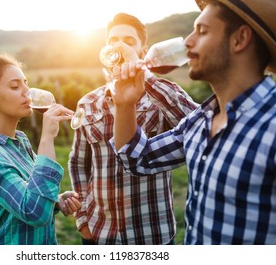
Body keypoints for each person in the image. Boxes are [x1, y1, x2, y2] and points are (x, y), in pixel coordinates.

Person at [111, 0, 276, 244]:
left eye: (202, 31)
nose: (187, 42)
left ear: (240, 39)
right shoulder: (199, 121)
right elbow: (138, 160)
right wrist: (124, 105)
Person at [68, 13, 198, 245]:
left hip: (152, 235)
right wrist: (84, 219)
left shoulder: (160, 96)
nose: (119, 46)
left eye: (128, 41)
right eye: (113, 40)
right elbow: (78, 163)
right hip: (100, 234)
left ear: (142, 50)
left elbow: (200, 125)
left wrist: (143, 75)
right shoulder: (87, 103)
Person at [0, 54, 81, 245]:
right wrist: (47, 137)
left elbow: (28, 194)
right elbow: (35, 212)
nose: (27, 92)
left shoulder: (20, 141)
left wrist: (55, 201)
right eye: (15, 87)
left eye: (26, 83)